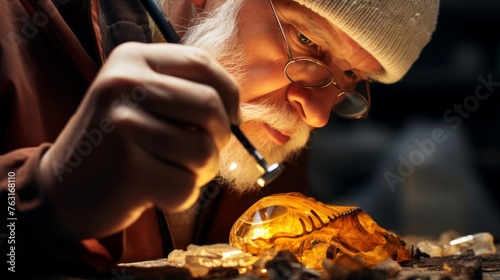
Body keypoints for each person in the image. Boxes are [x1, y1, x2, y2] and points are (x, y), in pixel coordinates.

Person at [0, 0, 439, 275]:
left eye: (349, 76)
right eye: (306, 39)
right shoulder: (16, 30)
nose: (319, 114)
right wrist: (47, 199)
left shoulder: (271, 132)